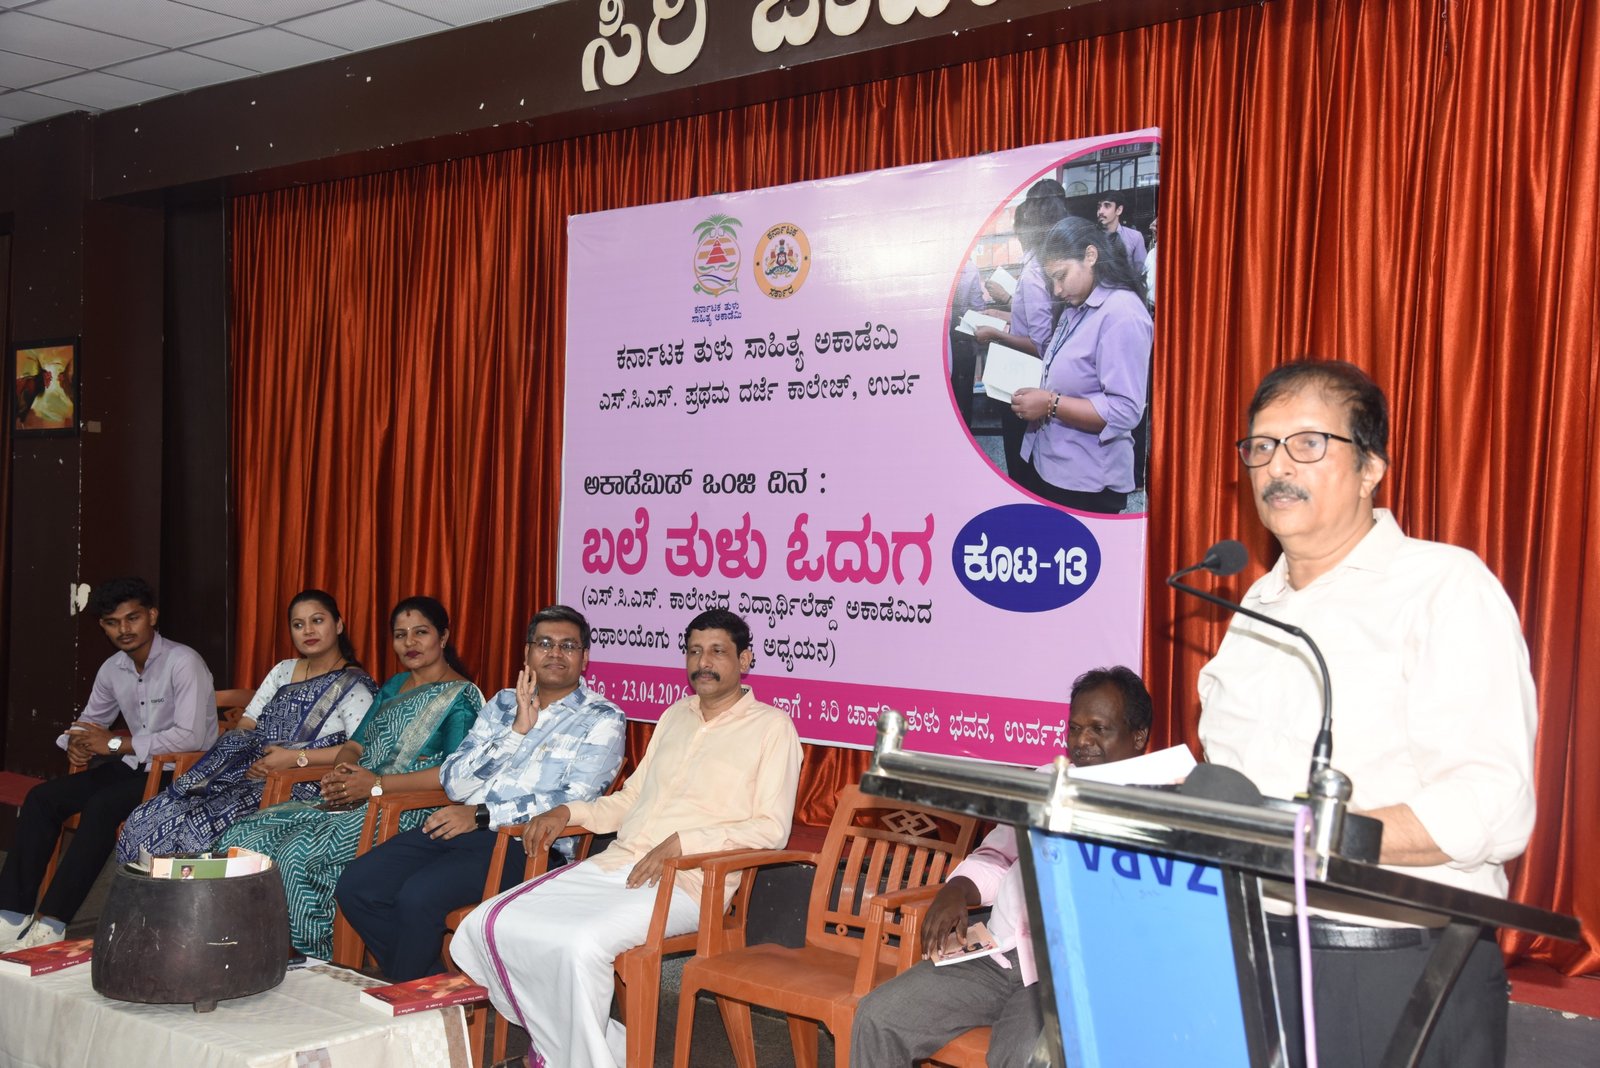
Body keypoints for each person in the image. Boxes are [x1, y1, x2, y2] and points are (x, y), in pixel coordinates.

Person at [1197, 359, 1536, 1068]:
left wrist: (1319, 835)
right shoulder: (1256, 606)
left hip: (1398, 967)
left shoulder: (1444, 587)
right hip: (1250, 956)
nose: (1277, 466)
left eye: (1308, 443)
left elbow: (1492, 805)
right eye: (1261, 446)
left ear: (1371, 467)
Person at [451, 608, 802, 1067]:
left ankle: (577, 1055)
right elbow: (630, 799)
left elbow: (771, 829)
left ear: (746, 659)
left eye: (718, 651)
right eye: (694, 651)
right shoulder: (675, 716)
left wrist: (684, 841)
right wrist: (569, 811)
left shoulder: (772, 727)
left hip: (689, 883)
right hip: (617, 863)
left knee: (578, 944)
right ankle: (593, 1049)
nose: (703, 662)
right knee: (490, 922)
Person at [851, 667, 1153, 1066]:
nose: (1082, 741)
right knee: (877, 1018)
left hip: (1065, 976)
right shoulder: (1045, 782)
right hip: (998, 953)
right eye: (1075, 728)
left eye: (1099, 729)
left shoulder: (1159, 807)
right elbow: (997, 855)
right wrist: (956, 890)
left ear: (1138, 736)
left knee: (1024, 1058)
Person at [335, 605, 626, 981]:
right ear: (527, 653)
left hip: (530, 845)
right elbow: (454, 782)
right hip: (461, 827)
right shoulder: (504, 703)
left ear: (584, 658)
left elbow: (574, 801)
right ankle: (432, 983)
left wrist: (481, 815)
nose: (555, 653)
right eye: (545, 644)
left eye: (568, 645)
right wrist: (516, 732)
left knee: (417, 897)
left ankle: (407, 995)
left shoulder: (603, 717)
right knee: (357, 885)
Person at [217, 595, 483, 960]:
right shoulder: (394, 686)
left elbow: (450, 778)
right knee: (243, 835)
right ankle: (252, 948)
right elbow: (355, 745)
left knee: (296, 855)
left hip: (408, 810)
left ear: (444, 636)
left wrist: (374, 785)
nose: (410, 643)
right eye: (400, 635)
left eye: (421, 632)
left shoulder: (461, 698)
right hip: (359, 795)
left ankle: (315, 958)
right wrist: (343, 772)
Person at [0, 577, 217, 949]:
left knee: (102, 806)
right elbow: (90, 721)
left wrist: (115, 743)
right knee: (42, 798)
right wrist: (76, 743)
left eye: (132, 618)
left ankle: (52, 922)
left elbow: (191, 737)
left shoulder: (184, 662)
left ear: (152, 616)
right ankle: (10, 915)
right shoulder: (113, 668)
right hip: (135, 767)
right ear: (103, 626)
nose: (124, 629)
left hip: (185, 774)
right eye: (113, 623)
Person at [115, 589, 377, 863]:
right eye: (298, 625)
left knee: (199, 826)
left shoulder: (353, 686)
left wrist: (292, 758)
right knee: (151, 815)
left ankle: (194, 887)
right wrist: (251, 757)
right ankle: (149, 888)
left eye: (318, 621)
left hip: (301, 783)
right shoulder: (284, 670)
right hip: (248, 770)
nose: (308, 630)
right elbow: (248, 722)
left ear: (338, 625)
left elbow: (360, 750)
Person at [1010, 216, 1153, 513]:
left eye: (1061, 276)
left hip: (1087, 482)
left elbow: (1125, 410)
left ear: (1090, 255)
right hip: (1056, 466)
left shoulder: (1122, 313)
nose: (1057, 290)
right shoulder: (1077, 306)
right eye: (1051, 280)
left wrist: (1050, 404)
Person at [974, 181, 1071, 480]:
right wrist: (1002, 314)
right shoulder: (1047, 265)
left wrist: (996, 334)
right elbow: (1032, 322)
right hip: (1037, 379)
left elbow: (1040, 343)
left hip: (1024, 377)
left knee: (1020, 464)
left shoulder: (1033, 274)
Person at [1096, 192, 1146, 271]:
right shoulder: (1091, 236)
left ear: (1119, 210)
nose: (1100, 211)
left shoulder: (1135, 237)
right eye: (1099, 207)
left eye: (1107, 206)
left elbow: (1141, 271)